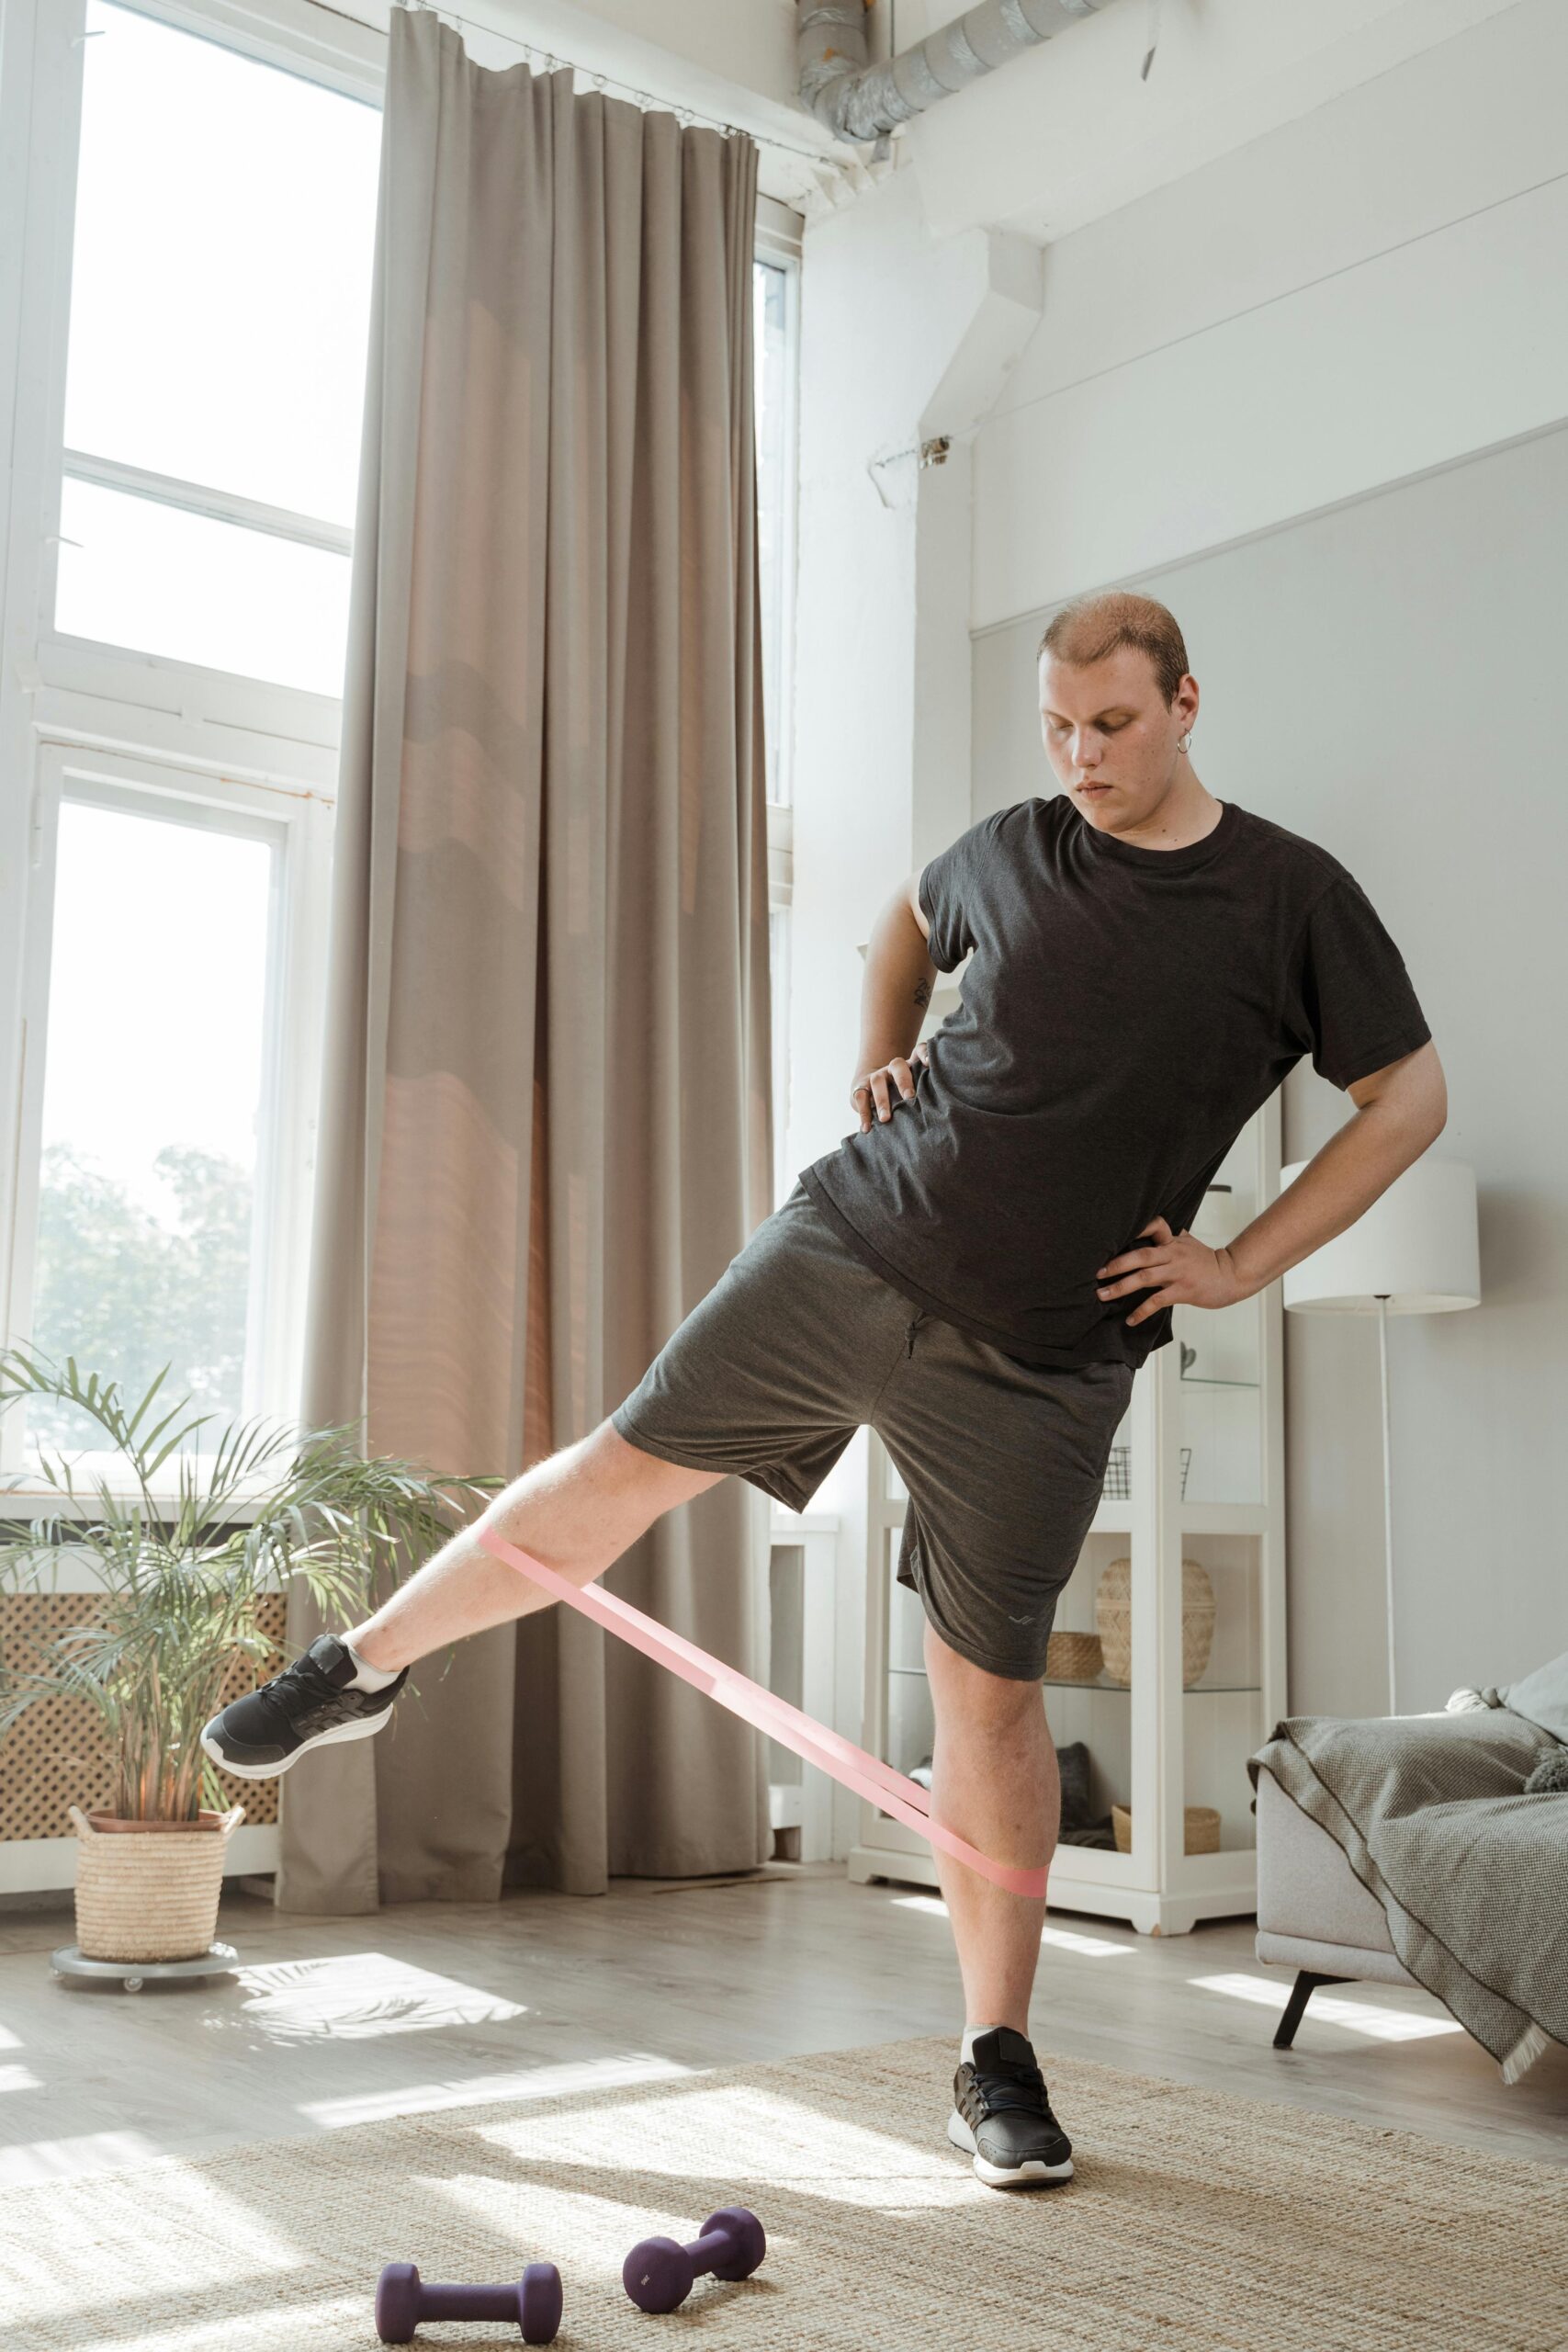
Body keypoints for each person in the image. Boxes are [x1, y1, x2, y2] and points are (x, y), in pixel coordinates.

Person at [204, 589, 1447, 2189]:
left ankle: (994, 2061)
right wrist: (883, 1046)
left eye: (1115, 725)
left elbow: (1407, 1096)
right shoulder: (1008, 843)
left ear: (1190, 702)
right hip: (855, 1242)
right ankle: (360, 1666)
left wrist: (1239, 1261)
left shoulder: (1289, 897)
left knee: (989, 1692)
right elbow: (906, 926)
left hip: (1047, 1356)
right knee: (615, 1470)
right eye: (1060, 728)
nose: (1083, 756)